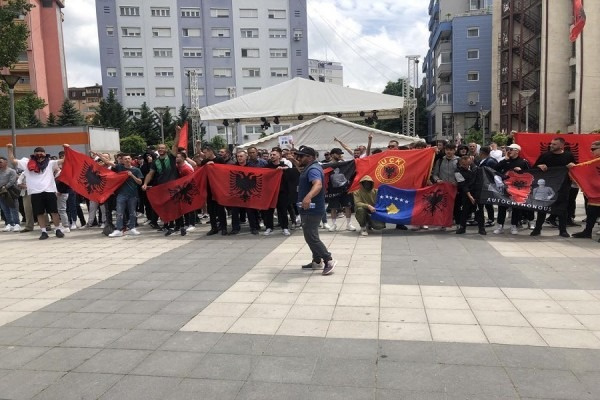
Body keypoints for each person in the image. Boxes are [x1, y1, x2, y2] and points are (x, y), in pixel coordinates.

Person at [6, 144, 66, 240]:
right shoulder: (27, 163)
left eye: (41, 152)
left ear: (45, 154)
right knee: (39, 213)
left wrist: (66, 148)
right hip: (35, 192)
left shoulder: (50, 163)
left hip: (49, 190)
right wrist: (10, 149)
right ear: (34, 154)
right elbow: (13, 160)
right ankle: (43, 232)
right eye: (37, 153)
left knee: (54, 212)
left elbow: (64, 160)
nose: (39, 154)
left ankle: (58, 229)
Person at [295, 145, 336, 275]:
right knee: (311, 236)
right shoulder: (310, 167)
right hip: (308, 208)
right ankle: (317, 261)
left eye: (301, 156)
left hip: (312, 209)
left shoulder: (313, 169)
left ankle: (328, 260)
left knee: (311, 237)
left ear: (310, 157)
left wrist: (308, 197)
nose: (298, 158)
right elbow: (300, 169)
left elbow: (317, 184)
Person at [530, 137, 576, 238]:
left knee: (562, 208)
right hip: (548, 185)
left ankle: (563, 230)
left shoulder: (568, 155)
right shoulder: (545, 155)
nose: (551, 146)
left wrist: (573, 165)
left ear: (561, 145)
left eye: (554, 144)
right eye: (551, 144)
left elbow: (575, 168)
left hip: (563, 186)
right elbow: (534, 168)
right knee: (543, 208)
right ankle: (537, 229)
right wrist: (539, 166)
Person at [142, 128, 182, 235]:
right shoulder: (155, 162)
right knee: (165, 207)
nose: (160, 149)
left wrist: (178, 133)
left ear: (166, 150)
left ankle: (178, 226)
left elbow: (175, 145)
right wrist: (145, 183)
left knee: (175, 206)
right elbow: (150, 174)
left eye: (162, 148)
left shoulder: (171, 157)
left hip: (173, 186)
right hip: (162, 188)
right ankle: (167, 225)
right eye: (159, 148)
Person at [94, 153, 144, 237]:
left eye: (128, 158)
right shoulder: (120, 167)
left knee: (132, 212)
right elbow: (107, 162)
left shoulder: (136, 170)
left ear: (131, 160)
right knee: (119, 212)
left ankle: (132, 228)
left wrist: (132, 175)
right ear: (122, 161)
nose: (127, 160)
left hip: (133, 195)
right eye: (125, 159)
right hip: (121, 194)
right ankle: (119, 229)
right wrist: (99, 155)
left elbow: (140, 182)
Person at [493, 144, 532, 234]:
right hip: (505, 187)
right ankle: (500, 226)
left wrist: (521, 171)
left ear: (517, 151)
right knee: (502, 206)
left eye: (511, 149)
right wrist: (505, 160)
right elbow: (495, 169)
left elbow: (530, 174)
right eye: (508, 149)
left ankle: (514, 225)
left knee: (516, 207)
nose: (509, 151)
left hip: (517, 188)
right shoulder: (505, 160)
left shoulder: (523, 162)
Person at [572, 141, 600, 241]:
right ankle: (587, 232)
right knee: (591, 212)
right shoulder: (593, 161)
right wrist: (573, 167)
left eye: (593, 149)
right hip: (594, 192)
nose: (591, 151)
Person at [326, 147, 356, 232]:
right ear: (332, 155)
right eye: (338, 154)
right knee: (333, 208)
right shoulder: (327, 165)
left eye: (340, 154)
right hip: (333, 190)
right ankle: (334, 224)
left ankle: (349, 224)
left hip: (345, 189)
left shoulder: (344, 164)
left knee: (347, 206)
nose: (340, 155)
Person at [455, 156, 486, 235]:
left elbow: (480, 181)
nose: (466, 166)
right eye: (464, 164)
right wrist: (470, 196)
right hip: (466, 193)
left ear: (471, 161)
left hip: (478, 192)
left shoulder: (477, 168)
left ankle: (481, 228)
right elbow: (463, 185)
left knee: (480, 211)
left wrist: (477, 195)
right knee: (464, 210)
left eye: (468, 164)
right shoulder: (457, 171)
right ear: (460, 163)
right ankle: (462, 227)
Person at [263, 148, 291, 236]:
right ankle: (269, 227)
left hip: (282, 192)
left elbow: (290, 175)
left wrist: (284, 169)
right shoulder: (267, 167)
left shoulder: (284, 166)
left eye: (274, 155)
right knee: (269, 210)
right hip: (270, 192)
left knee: (282, 210)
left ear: (279, 156)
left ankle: (285, 227)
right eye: (271, 155)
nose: (272, 156)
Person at [0, 156, 20, 232]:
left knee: (13, 208)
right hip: (1, 192)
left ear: (6, 162)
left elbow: (12, 181)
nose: (0, 164)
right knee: (5, 209)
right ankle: (10, 223)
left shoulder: (11, 171)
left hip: (10, 192)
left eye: (0, 162)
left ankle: (17, 224)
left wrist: (4, 187)